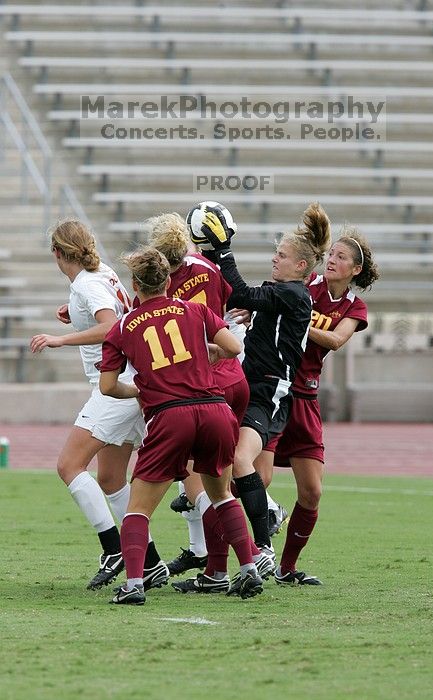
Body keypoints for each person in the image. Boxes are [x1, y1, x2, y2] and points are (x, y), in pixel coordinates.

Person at [99, 246, 263, 604]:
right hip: (215, 410)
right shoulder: (195, 309)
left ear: (134, 285)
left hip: (170, 415)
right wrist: (211, 351)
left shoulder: (124, 325)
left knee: (138, 508)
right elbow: (234, 346)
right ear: (169, 280)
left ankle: (134, 585)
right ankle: (249, 569)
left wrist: (137, 390)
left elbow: (107, 386)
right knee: (220, 494)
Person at [187, 202, 331, 593]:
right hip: (250, 385)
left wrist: (223, 250)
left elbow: (243, 293)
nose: (275, 258)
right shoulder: (281, 292)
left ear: (301, 267)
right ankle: (217, 568)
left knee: (235, 461)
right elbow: (246, 300)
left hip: (270, 389)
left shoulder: (296, 296)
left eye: (281, 256)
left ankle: (264, 537)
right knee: (218, 467)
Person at [29, 219, 166, 592]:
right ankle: (151, 563)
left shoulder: (89, 282)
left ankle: (113, 549)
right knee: (109, 479)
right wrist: (74, 311)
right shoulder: (100, 273)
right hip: (133, 382)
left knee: (69, 465)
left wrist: (63, 338)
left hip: (115, 387)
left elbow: (111, 327)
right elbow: (117, 313)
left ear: (57, 253)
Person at [142, 213, 262, 592]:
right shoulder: (208, 266)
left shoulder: (158, 287)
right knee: (218, 479)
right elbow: (235, 306)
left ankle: (226, 565)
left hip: (201, 388)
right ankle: (227, 562)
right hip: (234, 378)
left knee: (205, 489)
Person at [256, 228, 379, 585]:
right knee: (255, 478)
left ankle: (286, 568)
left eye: (341, 257)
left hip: (306, 400)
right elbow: (272, 298)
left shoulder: (354, 306)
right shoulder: (306, 286)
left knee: (312, 492)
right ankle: (228, 563)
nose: (333, 260)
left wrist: (295, 319)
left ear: (355, 269)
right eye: (331, 254)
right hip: (275, 390)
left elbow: (337, 340)